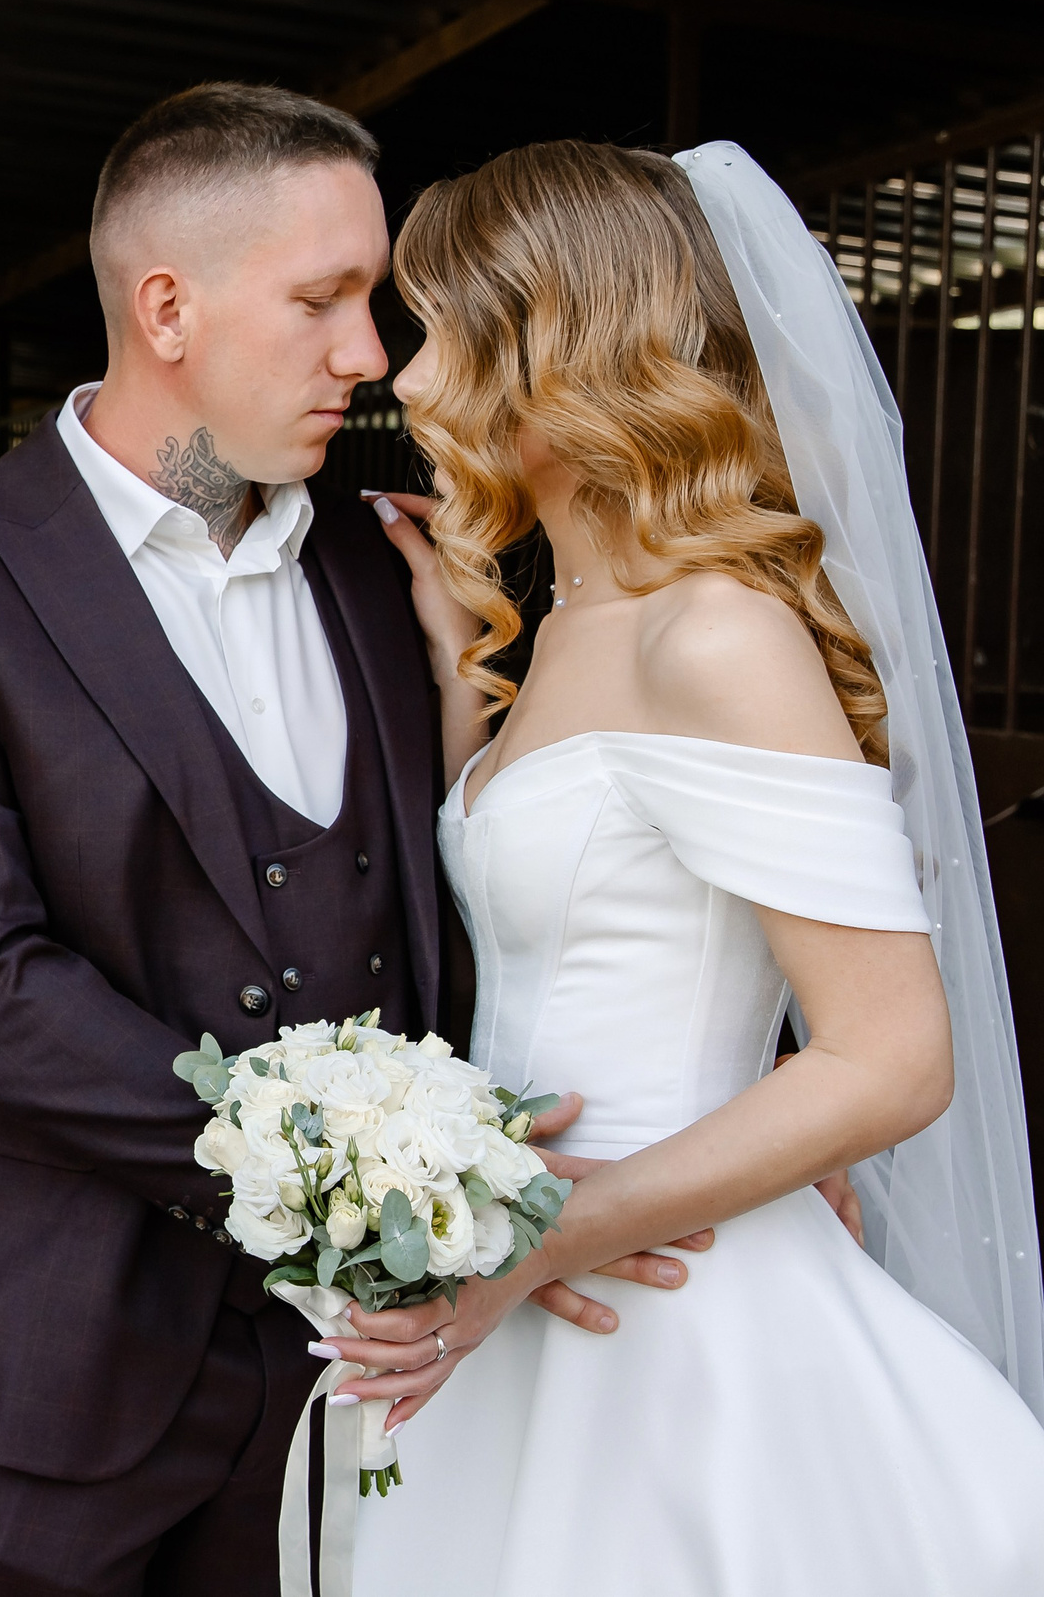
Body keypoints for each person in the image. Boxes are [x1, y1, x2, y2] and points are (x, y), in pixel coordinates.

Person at [0, 84, 696, 1596]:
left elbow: (551, 872)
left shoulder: (391, 564)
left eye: (374, 300)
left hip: (366, 1382)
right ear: (167, 306)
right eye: (325, 300)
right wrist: (360, 1181)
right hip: (60, 1354)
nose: (372, 357)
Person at [329, 139, 1044, 1594]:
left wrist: (543, 1238)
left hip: (673, 1302)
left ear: (564, 348)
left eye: (444, 332)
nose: (403, 381)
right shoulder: (576, 615)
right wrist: (459, 672)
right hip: (518, 1288)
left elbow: (893, 1058)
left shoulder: (711, 630)